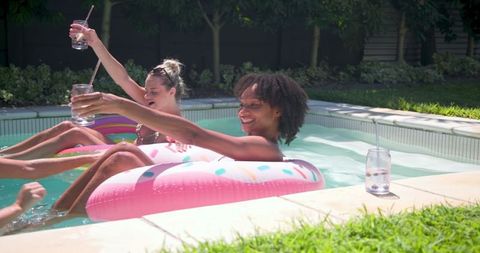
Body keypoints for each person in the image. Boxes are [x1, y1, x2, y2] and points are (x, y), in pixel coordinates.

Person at [51, 72, 309, 217]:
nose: (243, 112)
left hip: (191, 202)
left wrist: (119, 104)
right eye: (242, 104)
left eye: (254, 106)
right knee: (125, 150)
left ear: (278, 111)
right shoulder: (253, 142)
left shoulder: (265, 148)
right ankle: (55, 212)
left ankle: (58, 221)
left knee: (123, 159)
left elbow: (195, 135)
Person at [0, 22, 188, 160]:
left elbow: (184, 140)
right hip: (124, 149)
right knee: (67, 126)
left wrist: (180, 139)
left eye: (153, 91)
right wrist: (95, 42)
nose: (146, 95)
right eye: (146, 90)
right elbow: (122, 78)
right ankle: (6, 152)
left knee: (75, 134)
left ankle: (11, 162)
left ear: (172, 92)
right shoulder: (149, 101)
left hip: (131, 159)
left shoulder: (177, 123)